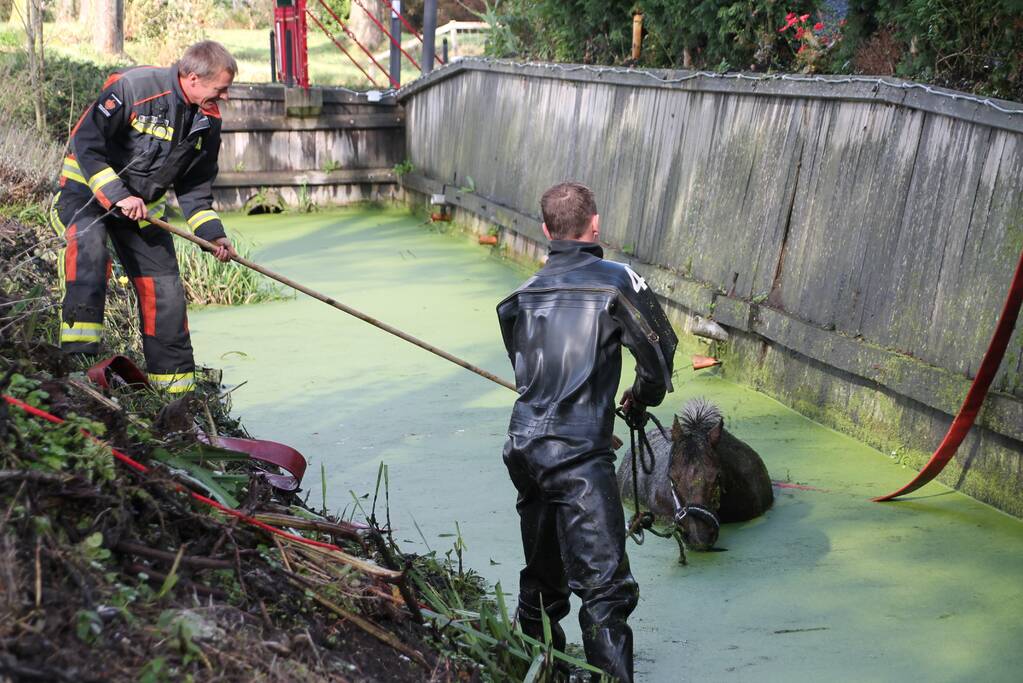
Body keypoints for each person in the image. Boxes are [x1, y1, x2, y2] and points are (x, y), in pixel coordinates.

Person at [497, 182, 677, 681]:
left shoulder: (521, 295)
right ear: (594, 224)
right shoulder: (618, 281)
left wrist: (588, 417)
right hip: (577, 458)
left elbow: (529, 374)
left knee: (542, 578)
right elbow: (660, 360)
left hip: (525, 448)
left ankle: (537, 668)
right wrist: (638, 400)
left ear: (546, 230)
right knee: (605, 591)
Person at [51, 40, 238, 394]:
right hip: (85, 194)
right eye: (221, 89)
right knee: (89, 251)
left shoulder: (207, 121)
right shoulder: (135, 88)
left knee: (165, 289)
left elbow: (196, 188)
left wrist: (213, 236)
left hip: (139, 212)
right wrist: (119, 196)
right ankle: (76, 369)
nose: (225, 97)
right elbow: (86, 143)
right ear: (193, 78)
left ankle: (176, 395)